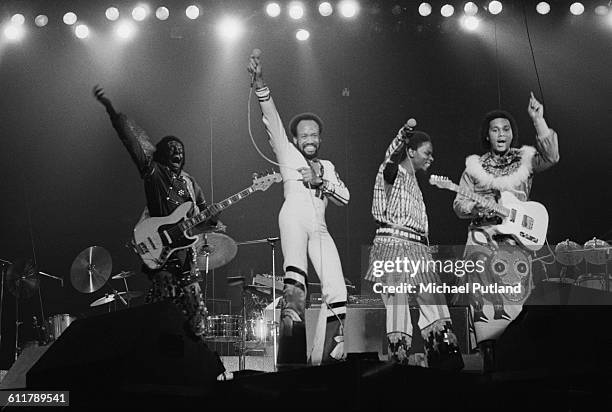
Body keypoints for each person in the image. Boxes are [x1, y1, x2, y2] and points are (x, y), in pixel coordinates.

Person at [92, 85, 230, 380]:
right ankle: (155, 372)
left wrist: (214, 221)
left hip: (187, 260)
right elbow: (133, 143)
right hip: (163, 259)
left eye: (181, 150)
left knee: (197, 318)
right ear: (162, 153)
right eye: (172, 149)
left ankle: (197, 373)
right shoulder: (153, 172)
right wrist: (113, 113)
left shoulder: (191, 183)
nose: (178, 152)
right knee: (162, 317)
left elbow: (202, 217)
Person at [247, 51, 350, 366]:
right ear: (294, 138)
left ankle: (329, 359)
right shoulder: (286, 152)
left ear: (320, 139)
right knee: (296, 281)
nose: (310, 138)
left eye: (314, 135)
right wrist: (260, 82)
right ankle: (291, 360)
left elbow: (344, 198)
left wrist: (320, 182)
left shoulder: (327, 166)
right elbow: (271, 115)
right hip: (292, 219)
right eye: (304, 134)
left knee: (336, 286)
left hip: (319, 228)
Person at [452, 92, 559, 371]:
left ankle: (510, 365)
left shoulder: (524, 160)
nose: (501, 133)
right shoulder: (474, 168)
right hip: (482, 241)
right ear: (487, 135)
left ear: (512, 134)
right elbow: (459, 204)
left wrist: (538, 120)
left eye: (506, 129)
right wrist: (480, 209)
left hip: (515, 244)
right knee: (483, 306)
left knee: (514, 307)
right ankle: (487, 365)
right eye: (495, 129)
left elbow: (552, 156)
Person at [365, 121, 464, 370]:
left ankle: (445, 362)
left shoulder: (413, 181)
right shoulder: (393, 173)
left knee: (435, 303)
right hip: (394, 244)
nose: (431, 158)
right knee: (398, 309)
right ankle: (399, 368)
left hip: (418, 248)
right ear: (411, 151)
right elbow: (388, 161)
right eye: (426, 152)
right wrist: (401, 137)